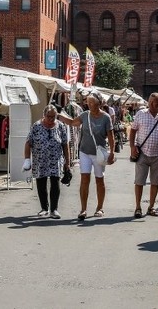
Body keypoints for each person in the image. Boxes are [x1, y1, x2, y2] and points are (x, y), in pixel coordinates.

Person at [58, 91, 115, 221]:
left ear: (99, 104)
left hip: (99, 153)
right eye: (88, 103)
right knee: (84, 179)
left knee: (99, 179)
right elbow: (73, 123)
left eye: (92, 103)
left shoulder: (105, 117)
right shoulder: (84, 115)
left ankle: (99, 208)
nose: (89, 105)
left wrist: (112, 152)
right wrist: (59, 116)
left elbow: (110, 136)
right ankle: (83, 209)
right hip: (84, 151)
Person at [129, 92, 158, 218]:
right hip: (142, 153)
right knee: (139, 181)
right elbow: (133, 131)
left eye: (152, 102)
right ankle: (138, 207)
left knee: (155, 182)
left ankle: (151, 207)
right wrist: (132, 147)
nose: (149, 104)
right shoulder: (140, 114)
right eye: (149, 101)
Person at [23, 105, 70, 219]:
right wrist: (27, 159)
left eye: (53, 117)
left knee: (55, 182)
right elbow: (28, 143)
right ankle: (44, 208)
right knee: (41, 183)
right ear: (44, 115)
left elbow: (65, 144)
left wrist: (67, 162)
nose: (51, 119)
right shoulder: (36, 126)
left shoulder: (61, 126)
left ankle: (54, 210)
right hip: (40, 160)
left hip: (56, 159)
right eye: (49, 117)